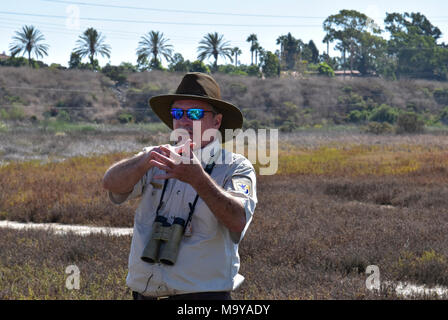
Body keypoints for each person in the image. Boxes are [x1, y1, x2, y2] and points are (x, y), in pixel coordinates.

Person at [102, 72, 257, 300]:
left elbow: (238, 219)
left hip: (202, 298)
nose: (184, 120)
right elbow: (111, 184)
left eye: (194, 113)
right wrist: (144, 160)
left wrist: (198, 178)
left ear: (216, 121)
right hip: (145, 294)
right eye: (177, 113)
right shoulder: (154, 158)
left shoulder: (236, 167)